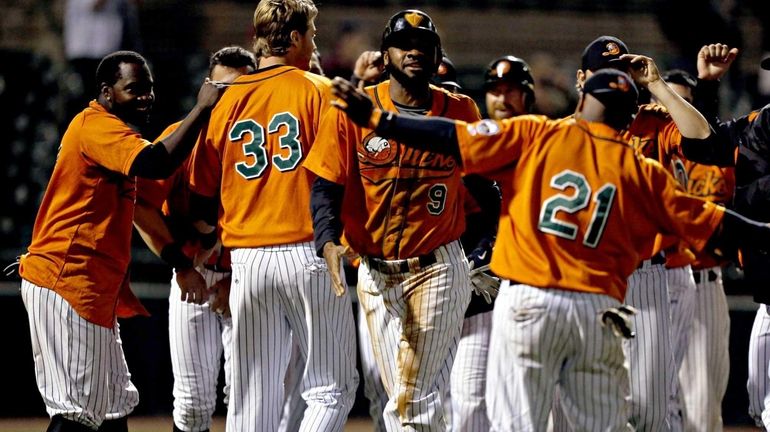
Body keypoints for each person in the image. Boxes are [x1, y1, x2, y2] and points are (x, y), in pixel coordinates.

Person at [328, 64, 770, 432]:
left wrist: (380, 120)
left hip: (530, 303)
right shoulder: (643, 171)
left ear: (581, 102)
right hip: (599, 313)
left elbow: (450, 136)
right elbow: (721, 225)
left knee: (518, 426)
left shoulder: (539, 135)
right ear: (629, 118)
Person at [17, 50, 220, 431]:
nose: (146, 97)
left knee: (112, 409)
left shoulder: (115, 132)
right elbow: (158, 163)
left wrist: (179, 257)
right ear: (107, 93)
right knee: (77, 415)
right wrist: (202, 109)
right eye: (134, 89)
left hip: (91, 286)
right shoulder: (96, 125)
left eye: (149, 89)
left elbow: (145, 205)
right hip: (68, 280)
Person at [304, 9, 482, 431]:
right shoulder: (354, 107)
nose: (413, 52)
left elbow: (486, 187)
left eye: (423, 46)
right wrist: (327, 240)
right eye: (404, 45)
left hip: (438, 266)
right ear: (386, 55)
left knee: (412, 399)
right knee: (402, 396)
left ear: (437, 56)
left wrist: (485, 248)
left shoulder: (461, 109)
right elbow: (326, 184)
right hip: (375, 272)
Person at [187, 1, 358, 431]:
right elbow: (334, 180)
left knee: (252, 398)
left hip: (246, 260)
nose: (314, 41)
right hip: (307, 251)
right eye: (313, 34)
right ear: (296, 38)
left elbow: (200, 194)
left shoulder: (227, 101)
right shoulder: (318, 90)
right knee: (331, 389)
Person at [133, 46, 257, 432]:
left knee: (250, 399)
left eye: (241, 89)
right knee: (191, 404)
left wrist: (237, 280)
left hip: (251, 278)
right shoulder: (182, 137)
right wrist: (183, 266)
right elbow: (142, 205)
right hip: (196, 276)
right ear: (206, 88)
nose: (228, 99)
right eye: (221, 89)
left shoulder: (265, 140)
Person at [448, 54, 535, 432]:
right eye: (495, 91)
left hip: (532, 289)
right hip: (477, 293)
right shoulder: (472, 145)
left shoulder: (546, 140)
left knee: (529, 403)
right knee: (467, 403)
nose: (502, 98)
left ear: (527, 95)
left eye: (511, 90)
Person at [662, 58, 735, 432]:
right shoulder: (649, 153)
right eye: (668, 101)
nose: (675, 111)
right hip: (654, 282)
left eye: (685, 102)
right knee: (651, 402)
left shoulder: (718, 161)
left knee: (702, 408)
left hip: (704, 282)